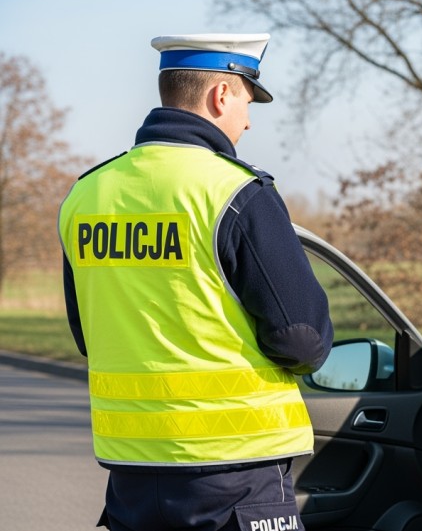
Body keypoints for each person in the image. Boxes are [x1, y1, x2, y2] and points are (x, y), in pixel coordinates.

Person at [58, 33, 334, 531]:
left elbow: (88, 334)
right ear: (221, 95)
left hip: (132, 474)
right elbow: (303, 340)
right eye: (248, 101)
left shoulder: (87, 194)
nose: (248, 121)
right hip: (237, 472)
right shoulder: (235, 190)